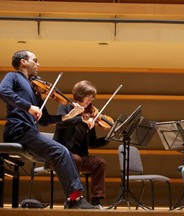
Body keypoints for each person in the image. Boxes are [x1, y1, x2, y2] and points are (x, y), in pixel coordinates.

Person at [0, 50, 97, 209]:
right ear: (23, 62)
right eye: (35, 60)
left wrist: (68, 116)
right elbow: (3, 91)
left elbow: (44, 120)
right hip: (18, 131)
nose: (38, 65)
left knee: (62, 153)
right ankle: (74, 199)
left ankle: (73, 199)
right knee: (61, 151)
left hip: (30, 133)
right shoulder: (14, 77)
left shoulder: (35, 89)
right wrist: (29, 107)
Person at [53, 80, 109, 210]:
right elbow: (60, 123)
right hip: (63, 156)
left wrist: (109, 138)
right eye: (88, 96)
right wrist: (80, 119)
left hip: (80, 156)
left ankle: (96, 201)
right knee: (75, 159)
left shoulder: (90, 114)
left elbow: (93, 143)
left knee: (99, 162)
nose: (91, 99)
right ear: (79, 94)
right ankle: (74, 199)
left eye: (92, 96)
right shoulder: (66, 107)